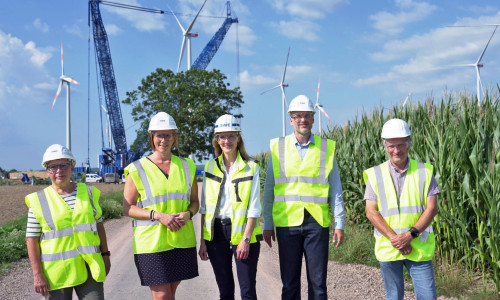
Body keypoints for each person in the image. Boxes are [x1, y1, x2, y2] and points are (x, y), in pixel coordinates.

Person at [262, 95, 345, 300]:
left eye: (307, 115)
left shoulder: (326, 148)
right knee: (289, 285)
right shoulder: (277, 148)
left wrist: (340, 222)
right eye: (298, 116)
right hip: (287, 223)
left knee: (318, 286)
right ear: (291, 119)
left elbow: (335, 188)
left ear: (313, 118)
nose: (302, 120)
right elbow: (269, 189)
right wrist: (268, 223)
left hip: (316, 224)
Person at [123, 112, 199, 300]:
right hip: (151, 244)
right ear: (152, 137)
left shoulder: (188, 166)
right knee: (162, 296)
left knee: (171, 293)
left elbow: (195, 202)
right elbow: (127, 208)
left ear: (175, 137)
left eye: (168, 135)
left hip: (181, 240)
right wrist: (157, 215)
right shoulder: (137, 168)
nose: (163, 139)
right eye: (159, 135)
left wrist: (189, 214)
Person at [364, 118, 439, 300]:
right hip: (390, 248)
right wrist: (396, 240)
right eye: (391, 146)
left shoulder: (425, 171)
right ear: (385, 146)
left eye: (400, 145)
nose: (396, 150)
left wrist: (409, 235)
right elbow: (371, 212)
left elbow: (432, 208)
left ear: (409, 143)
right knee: (394, 296)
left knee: (428, 297)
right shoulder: (375, 174)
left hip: (418, 247)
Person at [25, 144, 110, 299]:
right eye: (53, 167)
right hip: (57, 272)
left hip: (89, 266)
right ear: (47, 171)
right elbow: (31, 239)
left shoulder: (89, 192)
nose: (59, 171)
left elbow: (99, 226)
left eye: (63, 165)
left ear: (72, 167)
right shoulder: (38, 200)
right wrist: (37, 274)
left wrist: (106, 255)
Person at [199, 114, 262, 300]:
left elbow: (254, 207)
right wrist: (203, 241)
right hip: (216, 233)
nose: (227, 141)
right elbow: (205, 208)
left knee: (247, 290)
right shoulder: (210, 167)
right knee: (225, 290)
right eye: (222, 137)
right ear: (217, 140)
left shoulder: (251, 167)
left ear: (238, 138)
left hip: (243, 232)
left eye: (231, 136)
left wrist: (246, 239)